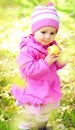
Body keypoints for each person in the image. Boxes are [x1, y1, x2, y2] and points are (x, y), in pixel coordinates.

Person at [10, 2, 66, 130]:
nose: (48, 37)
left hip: (48, 86)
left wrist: (61, 59)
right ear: (34, 31)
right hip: (33, 88)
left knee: (46, 110)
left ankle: (42, 127)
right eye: (43, 32)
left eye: (52, 33)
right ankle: (24, 127)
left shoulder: (52, 46)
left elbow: (58, 66)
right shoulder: (28, 50)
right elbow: (28, 70)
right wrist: (46, 62)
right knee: (30, 113)